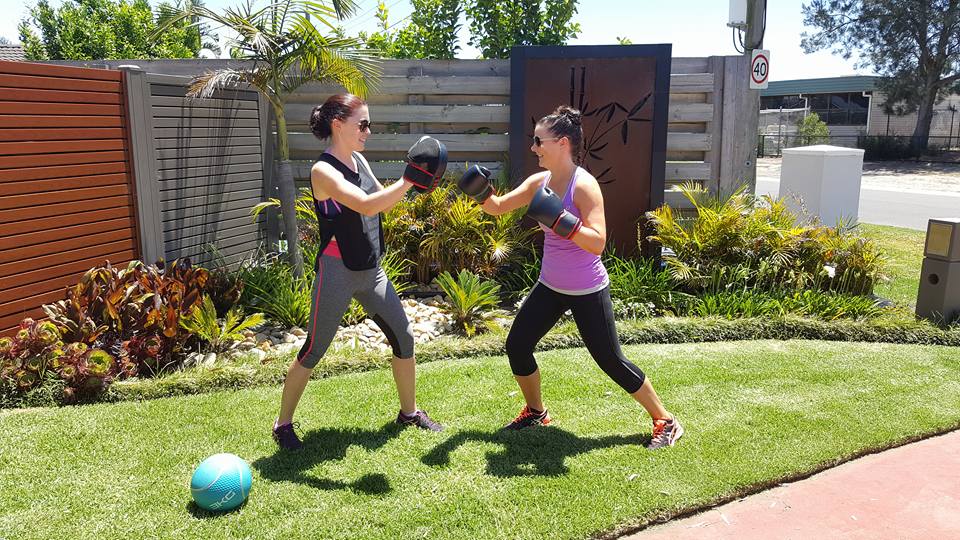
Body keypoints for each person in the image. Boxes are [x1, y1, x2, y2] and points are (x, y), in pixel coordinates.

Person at [457, 105, 684, 449]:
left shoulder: (585, 186)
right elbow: (498, 206)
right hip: (551, 285)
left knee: (610, 360)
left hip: (587, 288)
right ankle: (536, 411)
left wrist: (562, 220)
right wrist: (480, 192)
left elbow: (598, 242)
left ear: (562, 143)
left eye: (538, 141)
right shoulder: (539, 182)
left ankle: (665, 420)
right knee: (517, 346)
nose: (533, 148)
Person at [272, 93, 447, 450]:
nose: (369, 131)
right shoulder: (323, 170)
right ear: (338, 125)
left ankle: (409, 412)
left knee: (404, 336)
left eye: (368, 124)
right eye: (362, 124)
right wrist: (411, 180)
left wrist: (416, 184)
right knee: (314, 349)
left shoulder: (359, 161)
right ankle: (283, 424)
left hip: (371, 269)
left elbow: (381, 199)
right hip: (337, 271)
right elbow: (366, 205)